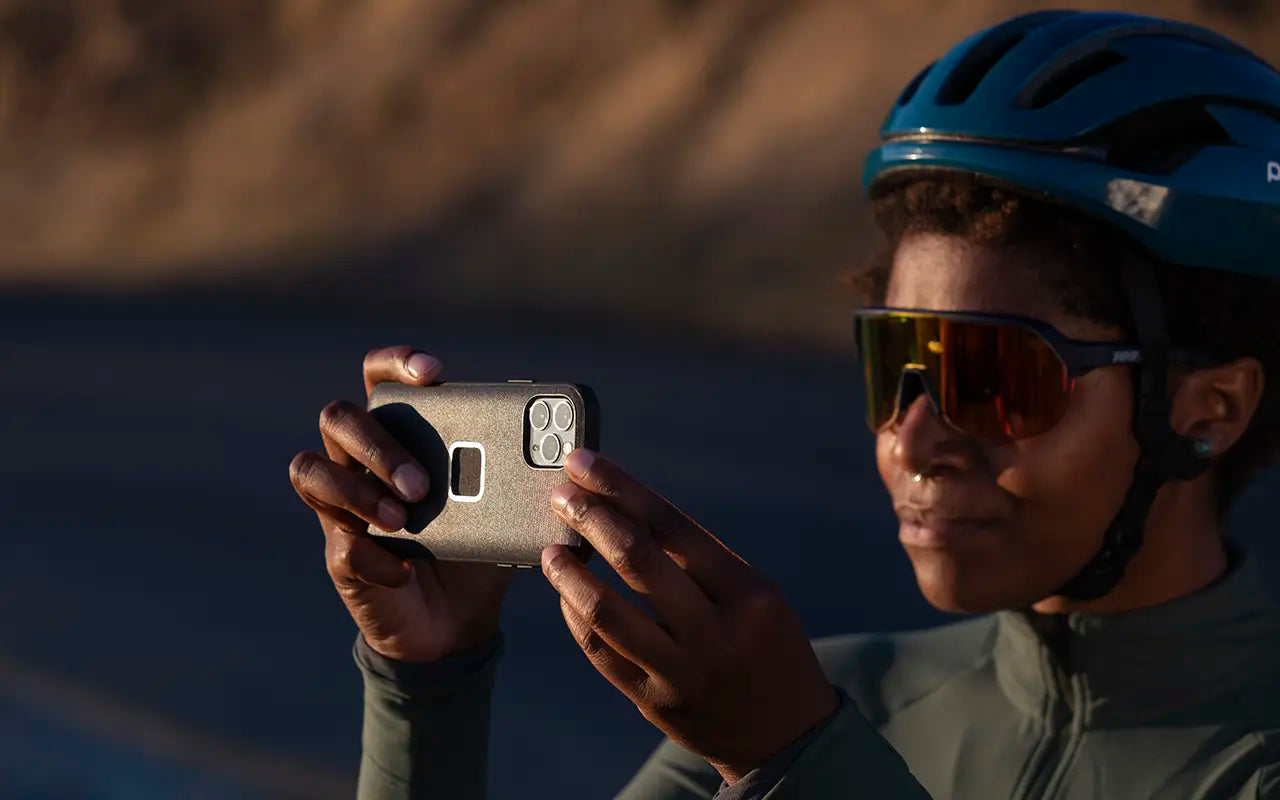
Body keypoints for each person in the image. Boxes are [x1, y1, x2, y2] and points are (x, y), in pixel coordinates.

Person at [288, 10, 1280, 799]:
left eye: (990, 377)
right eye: (892, 360)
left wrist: (795, 762)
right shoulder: (835, 698)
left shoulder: (782, 721)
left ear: (1209, 407)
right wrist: (425, 683)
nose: (909, 436)